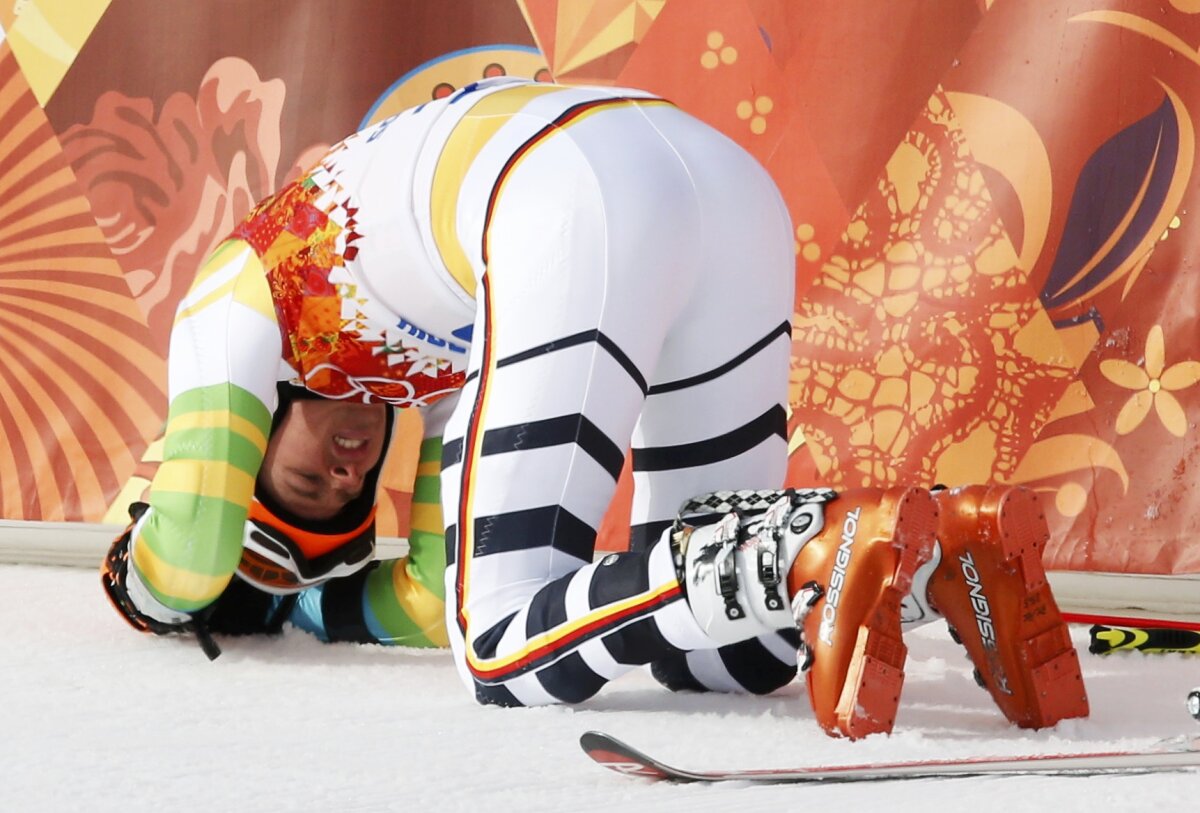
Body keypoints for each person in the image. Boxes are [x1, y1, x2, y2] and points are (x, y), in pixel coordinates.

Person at [101, 76, 1087, 738]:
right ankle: (944, 552)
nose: (347, 464)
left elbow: (186, 553)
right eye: (344, 496)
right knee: (729, 660)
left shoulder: (227, 305)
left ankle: (805, 547)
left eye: (301, 475)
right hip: (719, 185)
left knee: (500, 651)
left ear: (250, 433)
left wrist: (137, 581)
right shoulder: (417, 364)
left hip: (567, 188)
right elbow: (427, 597)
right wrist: (319, 608)